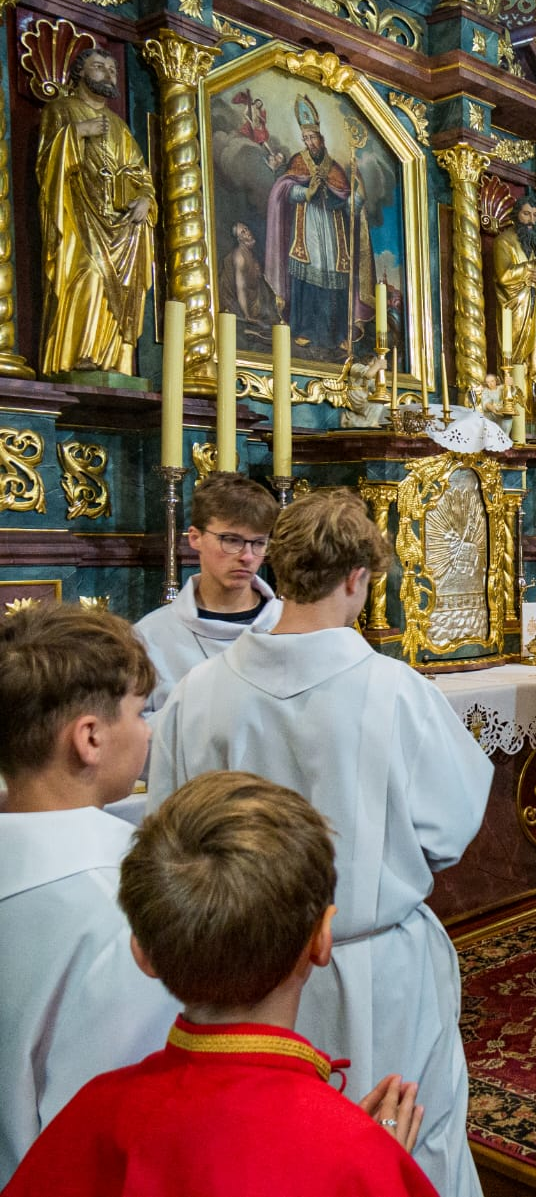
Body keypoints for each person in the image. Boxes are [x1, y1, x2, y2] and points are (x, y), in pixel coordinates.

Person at [147, 490, 490, 1197]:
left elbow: (168, 831)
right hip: (370, 965)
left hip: (228, 973)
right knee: (401, 1147)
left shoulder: (198, 692)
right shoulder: (395, 691)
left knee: (249, 1158)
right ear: (359, 578)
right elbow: (449, 829)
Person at [6, 772, 436, 1196]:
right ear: (322, 941)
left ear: (143, 953)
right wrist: (376, 1164)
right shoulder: (358, 1154)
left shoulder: (93, 1112)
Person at [0, 606, 179, 1184]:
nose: (148, 729)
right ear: (90, 737)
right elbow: (118, 1130)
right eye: (138, 711)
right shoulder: (125, 905)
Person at [36, 47, 157, 378]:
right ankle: (77, 356)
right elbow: (46, 163)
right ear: (79, 73)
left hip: (120, 224)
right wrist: (78, 133)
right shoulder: (60, 110)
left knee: (127, 285)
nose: (109, 73)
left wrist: (145, 199)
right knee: (89, 274)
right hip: (78, 216)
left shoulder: (119, 126)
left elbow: (140, 174)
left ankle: (114, 361)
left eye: (112, 69)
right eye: (99, 66)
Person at [134, 473, 282, 715]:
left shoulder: (287, 626)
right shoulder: (150, 638)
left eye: (258, 543)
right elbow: (132, 734)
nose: (247, 556)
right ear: (195, 538)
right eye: (231, 540)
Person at [265, 95, 357, 358]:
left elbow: (344, 195)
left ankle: (338, 335)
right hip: (307, 228)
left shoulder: (334, 166)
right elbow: (285, 189)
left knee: (333, 278)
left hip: (331, 228)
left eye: (313, 137)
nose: (309, 142)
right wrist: (306, 192)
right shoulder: (298, 161)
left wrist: (345, 197)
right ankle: (304, 329)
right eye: (305, 138)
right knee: (307, 276)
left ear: (321, 138)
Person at [493, 196, 536, 376]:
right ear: (516, 215)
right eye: (527, 214)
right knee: (516, 364)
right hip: (516, 312)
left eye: (535, 215)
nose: (531, 220)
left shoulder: (534, 245)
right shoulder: (503, 242)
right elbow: (504, 275)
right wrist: (531, 267)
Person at [219, 221, 280, 347]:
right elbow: (240, 288)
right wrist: (247, 315)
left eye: (246, 229)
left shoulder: (249, 253)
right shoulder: (239, 257)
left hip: (254, 297)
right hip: (241, 302)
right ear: (239, 239)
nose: (248, 233)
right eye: (243, 232)